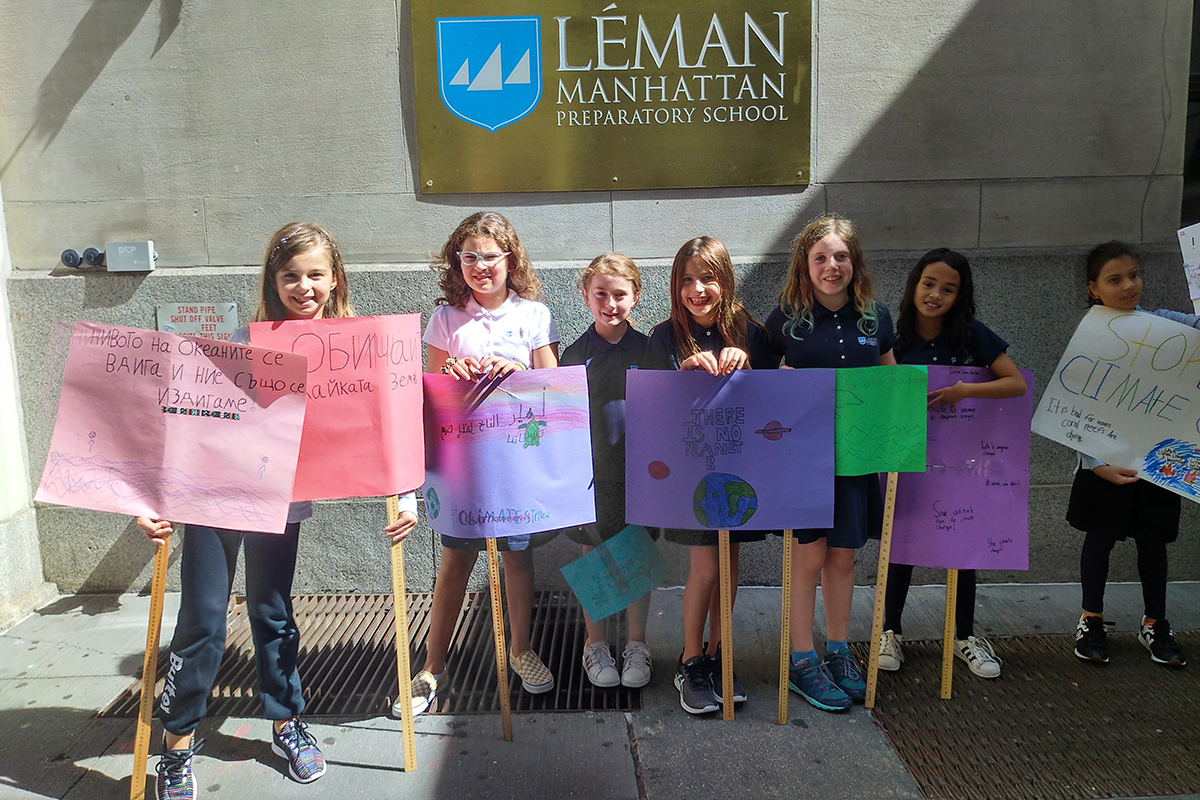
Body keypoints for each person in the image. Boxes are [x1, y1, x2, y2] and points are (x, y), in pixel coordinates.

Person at [138, 223, 421, 800]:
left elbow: (388, 428)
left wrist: (408, 492)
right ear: (272, 280)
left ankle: (287, 722)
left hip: (281, 498)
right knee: (203, 621)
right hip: (216, 496)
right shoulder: (245, 338)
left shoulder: (356, 346)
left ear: (335, 278)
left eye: (316, 274)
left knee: (272, 612)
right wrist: (149, 499)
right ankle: (177, 744)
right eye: (290, 275)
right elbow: (186, 423)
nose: (303, 286)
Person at [403, 211, 560, 717]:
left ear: (509, 259)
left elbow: (552, 391)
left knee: (515, 557)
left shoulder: (534, 314)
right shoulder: (445, 319)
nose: (479, 266)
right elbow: (429, 394)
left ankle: (520, 649)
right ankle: (432, 666)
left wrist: (517, 370)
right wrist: (451, 370)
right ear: (458, 262)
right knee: (455, 562)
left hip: (516, 462)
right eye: (468, 256)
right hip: (463, 461)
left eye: (489, 256)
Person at [763, 214, 894, 712]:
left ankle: (839, 652)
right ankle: (801, 660)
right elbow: (762, 384)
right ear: (805, 265)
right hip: (803, 463)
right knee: (809, 559)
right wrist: (780, 377)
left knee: (843, 558)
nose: (831, 266)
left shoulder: (876, 318)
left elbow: (890, 381)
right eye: (820, 258)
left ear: (854, 262)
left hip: (856, 461)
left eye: (840, 256)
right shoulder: (783, 319)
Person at [876, 248, 1027, 679]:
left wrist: (965, 390)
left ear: (959, 296)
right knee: (899, 546)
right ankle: (890, 631)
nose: (935, 295)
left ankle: (963, 636)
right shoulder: (894, 336)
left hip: (962, 465)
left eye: (948, 288)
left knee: (963, 547)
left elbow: (1014, 383)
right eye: (928, 284)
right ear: (914, 285)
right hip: (905, 462)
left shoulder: (972, 336)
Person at [643, 236, 772, 715]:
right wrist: (683, 372)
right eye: (687, 280)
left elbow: (774, 400)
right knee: (705, 567)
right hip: (688, 473)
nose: (697, 289)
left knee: (731, 564)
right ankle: (691, 659)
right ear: (676, 285)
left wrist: (749, 366)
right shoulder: (663, 337)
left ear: (725, 279)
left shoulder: (751, 332)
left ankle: (721, 654)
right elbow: (650, 408)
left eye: (707, 278)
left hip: (740, 469)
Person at [1069, 240, 1195, 668]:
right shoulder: (1088, 335)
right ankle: (1091, 619)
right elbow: (1073, 405)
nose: (1129, 285)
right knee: (1099, 540)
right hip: (1104, 462)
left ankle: (1155, 622)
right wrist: (1096, 464)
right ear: (1093, 288)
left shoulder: (1164, 324)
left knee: (1154, 544)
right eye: (1115, 279)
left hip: (1157, 463)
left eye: (1134, 275)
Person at [561, 253, 654, 689]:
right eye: (601, 294)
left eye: (620, 294)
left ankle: (637, 643)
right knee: (593, 556)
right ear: (585, 296)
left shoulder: (652, 350)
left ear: (636, 296)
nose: (611, 303)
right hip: (591, 478)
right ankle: (595, 644)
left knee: (635, 553)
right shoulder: (574, 354)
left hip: (641, 475)